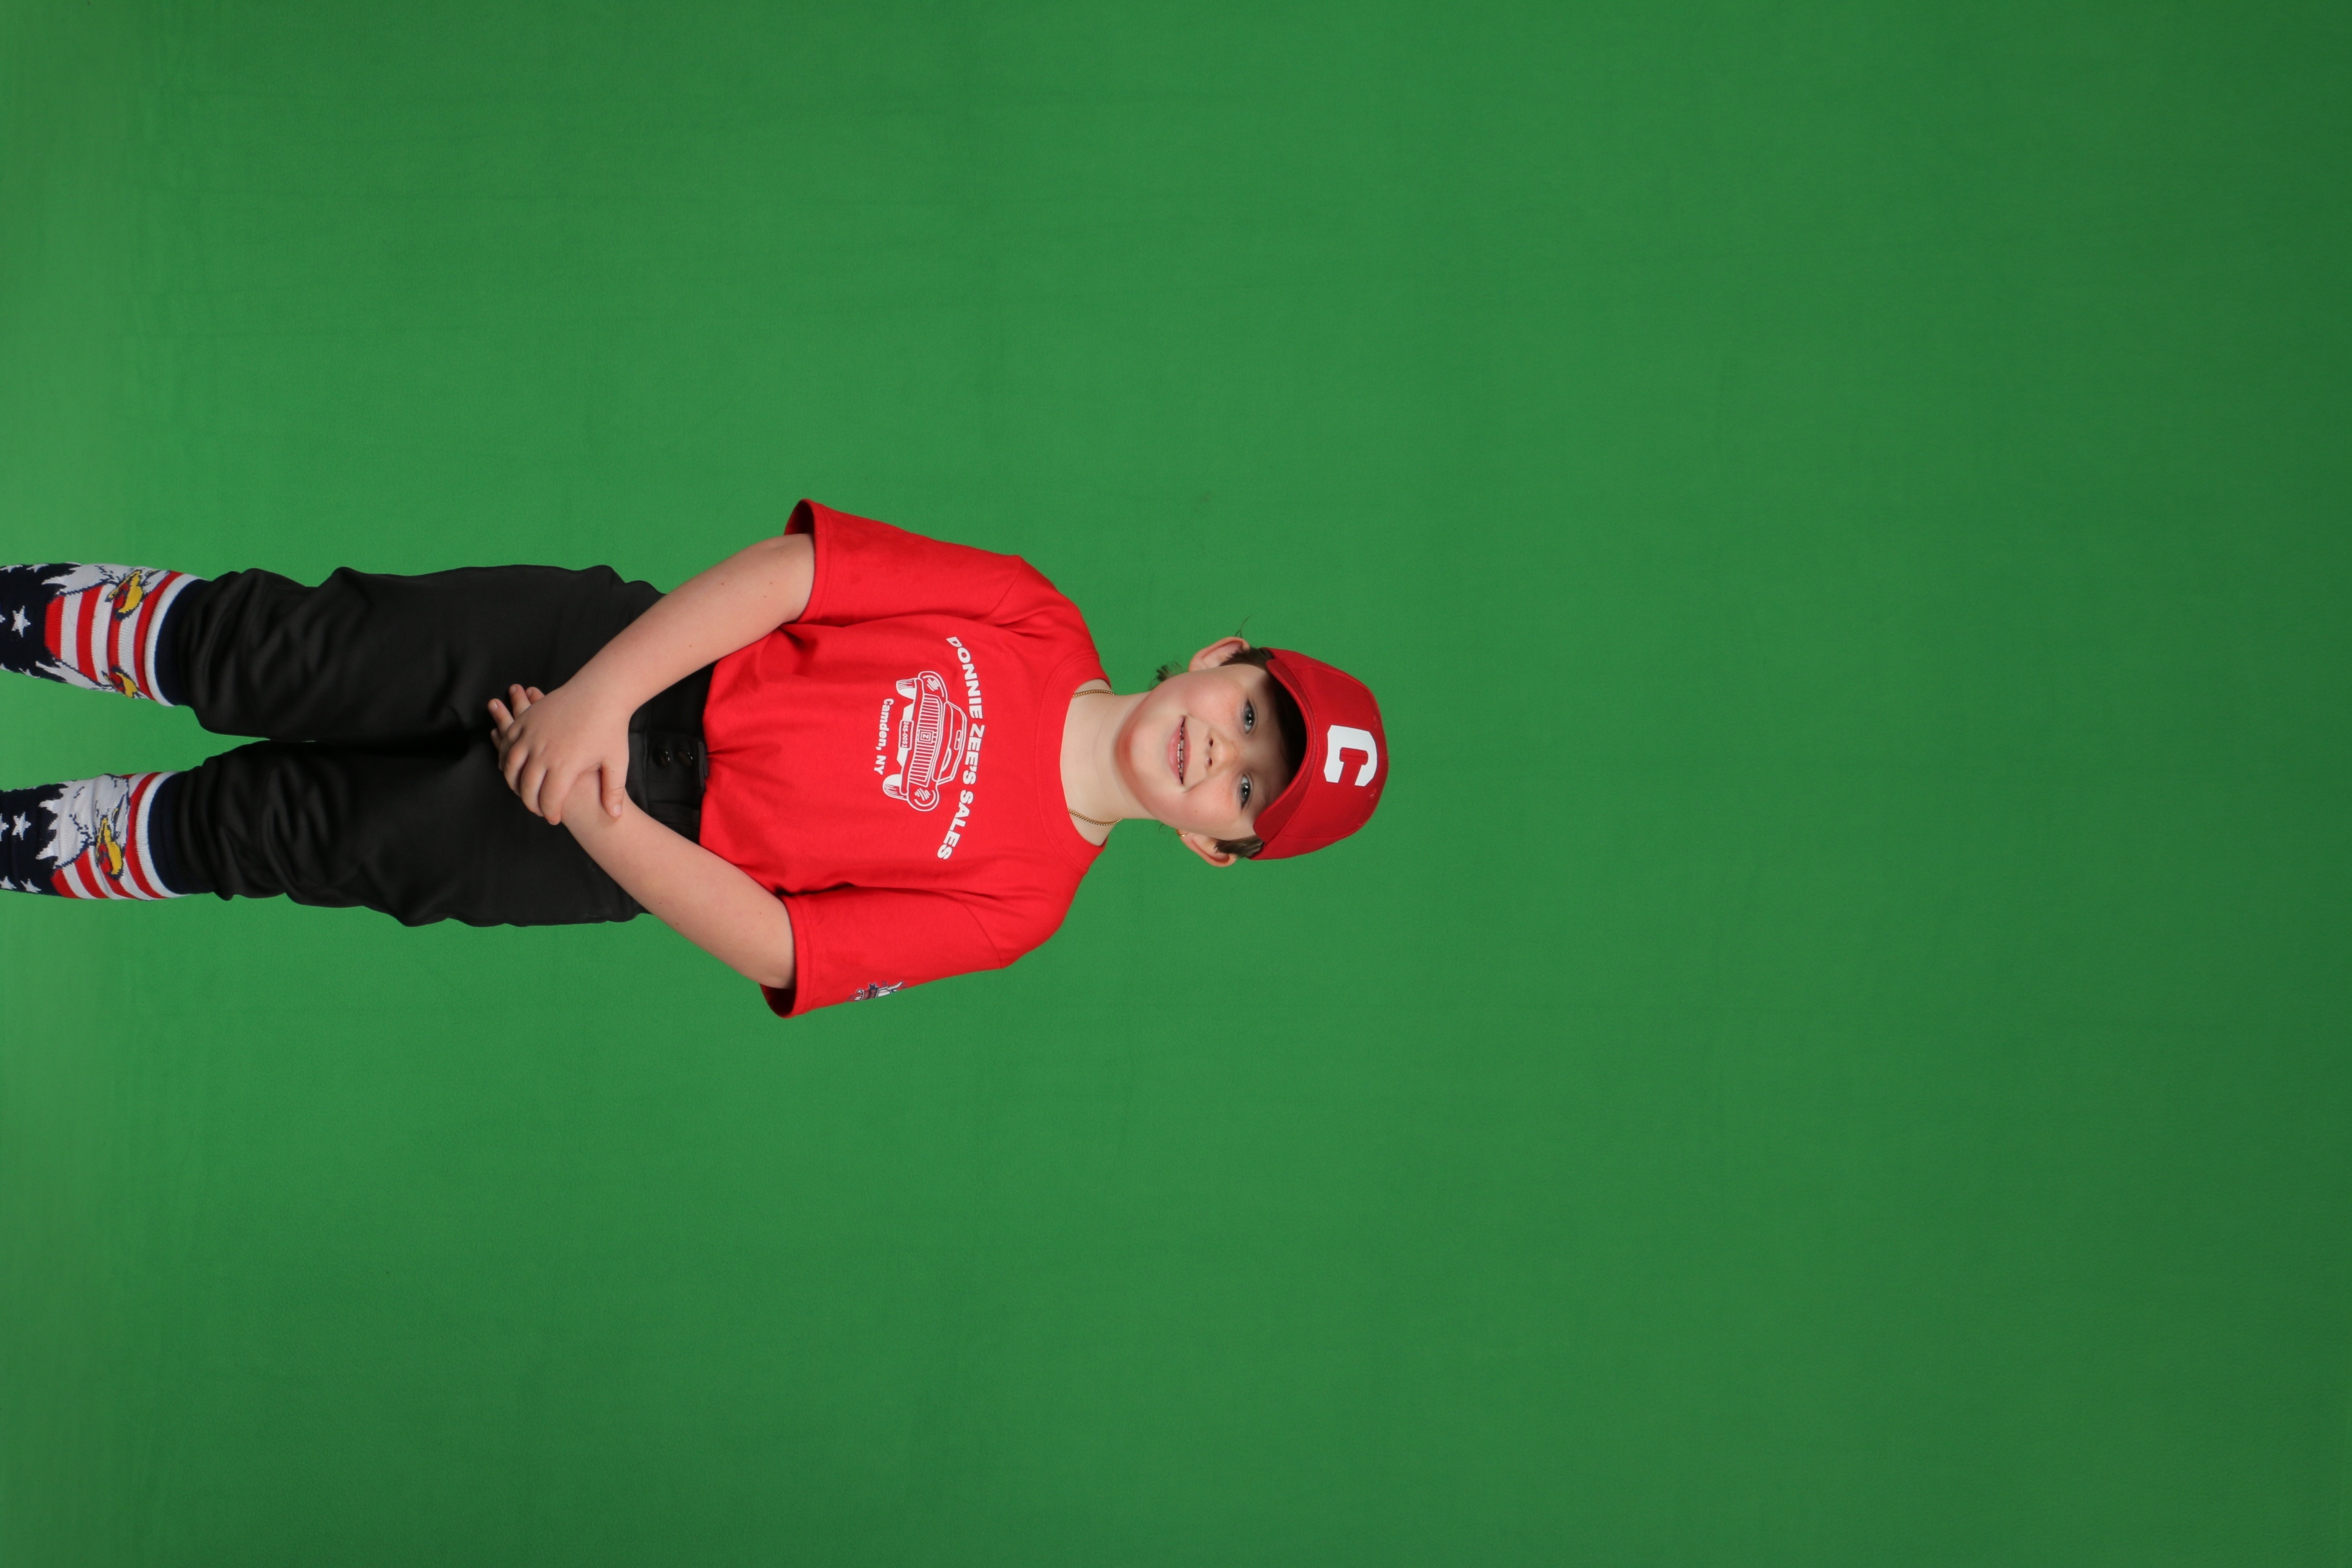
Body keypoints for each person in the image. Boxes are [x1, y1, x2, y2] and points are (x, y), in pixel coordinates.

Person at [0, 502, 1389, 1015]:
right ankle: (31, 614)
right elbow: (800, 576)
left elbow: (789, 944)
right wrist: (595, 700)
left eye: (1244, 789)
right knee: (299, 648)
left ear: (1213, 843)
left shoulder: (1023, 904)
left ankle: (50, 838)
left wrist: (594, 808)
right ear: (1221, 655)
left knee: (298, 835)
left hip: (616, 841)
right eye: (1251, 712)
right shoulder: (1030, 611)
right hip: (621, 653)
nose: (1221, 748)